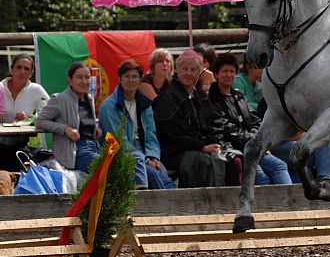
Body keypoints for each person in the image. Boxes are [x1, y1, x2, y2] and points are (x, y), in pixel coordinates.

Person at [208, 53, 286, 185]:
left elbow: (256, 121)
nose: (229, 75)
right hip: (235, 150)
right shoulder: (212, 100)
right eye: (225, 71)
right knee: (261, 177)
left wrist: (256, 138)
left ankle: (292, 198)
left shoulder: (239, 97)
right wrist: (254, 140)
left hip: (253, 147)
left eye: (232, 71)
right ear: (216, 74)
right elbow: (227, 130)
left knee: (280, 165)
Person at [153, 50, 227, 188]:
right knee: (204, 162)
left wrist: (215, 142)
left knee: (232, 159)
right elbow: (173, 134)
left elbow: (215, 121)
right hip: (174, 151)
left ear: (199, 73)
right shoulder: (168, 97)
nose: (188, 73)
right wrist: (202, 146)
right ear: (178, 71)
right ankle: (204, 199)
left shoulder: (200, 94)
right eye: (185, 69)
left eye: (193, 69)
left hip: (200, 146)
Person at [98, 60, 175, 190]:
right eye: (127, 76)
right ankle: (164, 204)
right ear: (120, 79)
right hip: (121, 153)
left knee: (165, 179)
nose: (131, 80)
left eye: (134, 77)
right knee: (153, 175)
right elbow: (118, 140)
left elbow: (151, 135)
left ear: (140, 80)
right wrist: (146, 160)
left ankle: (174, 203)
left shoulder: (145, 104)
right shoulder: (109, 106)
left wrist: (153, 157)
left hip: (144, 152)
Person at [36, 62, 102, 173]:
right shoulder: (59, 99)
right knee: (106, 166)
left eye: (87, 77)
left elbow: (82, 122)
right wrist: (65, 129)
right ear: (70, 80)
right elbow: (40, 122)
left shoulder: (89, 99)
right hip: (75, 152)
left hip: (94, 147)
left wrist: (94, 128)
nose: (84, 81)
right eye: (79, 77)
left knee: (121, 163)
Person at [0, 54, 50, 171]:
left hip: (20, 145)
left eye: (27, 69)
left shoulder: (36, 89)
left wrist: (30, 118)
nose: (22, 72)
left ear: (31, 73)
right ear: (12, 69)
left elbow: (49, 113)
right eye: (19, 67)